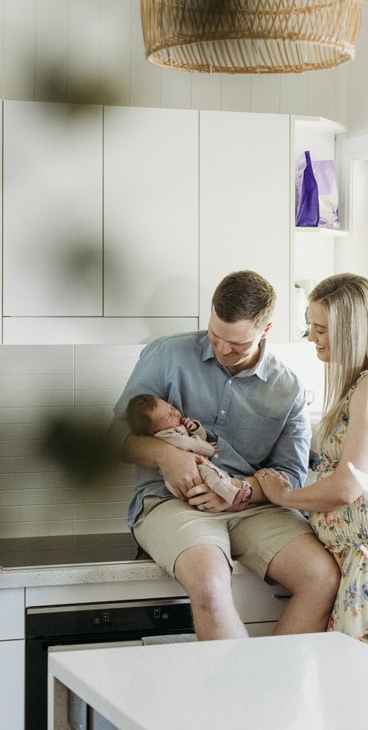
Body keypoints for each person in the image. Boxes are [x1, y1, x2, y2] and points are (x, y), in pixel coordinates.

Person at [110, 269, 340, 641]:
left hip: (256, 508)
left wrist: (242, 490)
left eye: (236, 345)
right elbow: (115, 438)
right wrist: (170, 458)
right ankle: (240, 698)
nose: (222, 350)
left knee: (322, 577)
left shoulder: (288, 388)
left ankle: (269, 695)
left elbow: (291, 475)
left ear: (265, 331)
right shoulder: (167, 355)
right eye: (215, 336)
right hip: (171, 504)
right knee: (210, 586)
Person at [256, 273, 368, 653]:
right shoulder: (364, 384)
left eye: (320, 329)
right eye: (310, 326)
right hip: (357, 565)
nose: (311, 337)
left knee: (361, 701)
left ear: (351, 330)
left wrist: (284, 496)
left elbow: (349, 486)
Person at [125, 394, 241, 505]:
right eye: (168, 416)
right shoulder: (166, 436)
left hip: (195, 467)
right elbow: (191, 444)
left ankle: (230, 497)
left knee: (218, 476)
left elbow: (201, 438)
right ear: (154, 430)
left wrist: (195, 428)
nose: (175, 413)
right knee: (212, 476)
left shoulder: (175, 428)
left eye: (172, 407)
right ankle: (233, 497)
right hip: (188, 475)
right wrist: (209, 449)